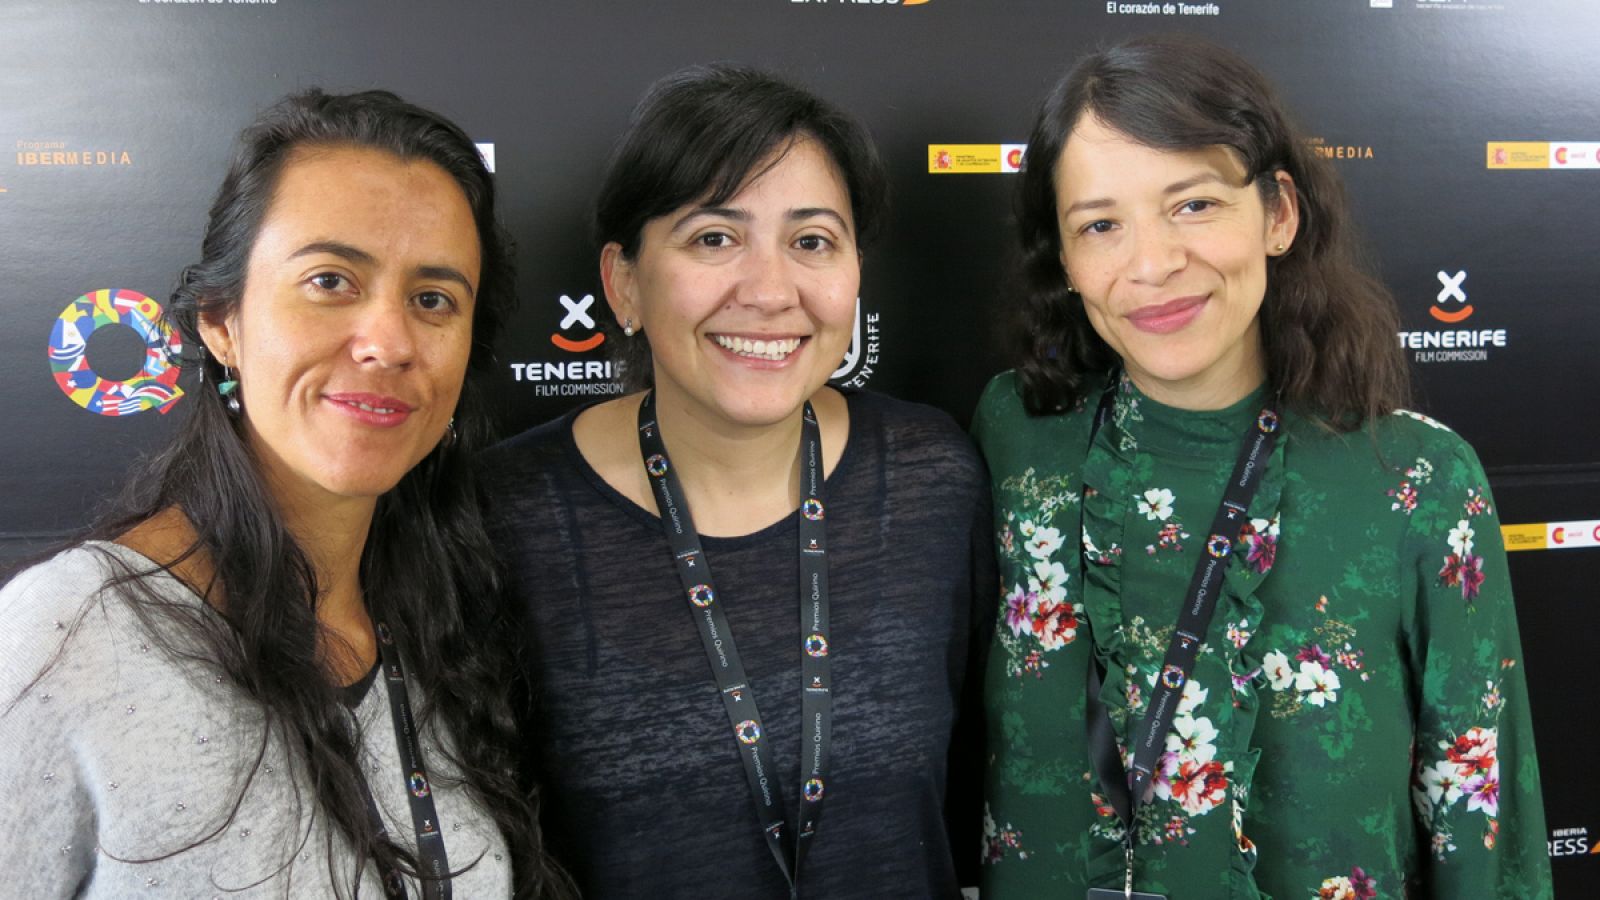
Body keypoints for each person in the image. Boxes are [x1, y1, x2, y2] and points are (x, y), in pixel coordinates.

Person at [972, 35, 1552, 899]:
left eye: (1195, 205)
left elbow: (1482, 813)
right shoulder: (1018, 435)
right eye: (1100, 224)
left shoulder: (1419, 480)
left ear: (1278, 213)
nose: (1152, 264)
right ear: (1063, 258)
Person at [0, 90, 572, 899]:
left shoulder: (444, 621)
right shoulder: (64, 639)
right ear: (220, 322)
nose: (389, 342)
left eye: (433, 299)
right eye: (331, 280)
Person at [480, 64, 993, 899]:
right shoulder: (509, 514)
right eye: (714, 238)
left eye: (812, 240)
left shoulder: (934, 477)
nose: (768, 290)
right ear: (623, 283)